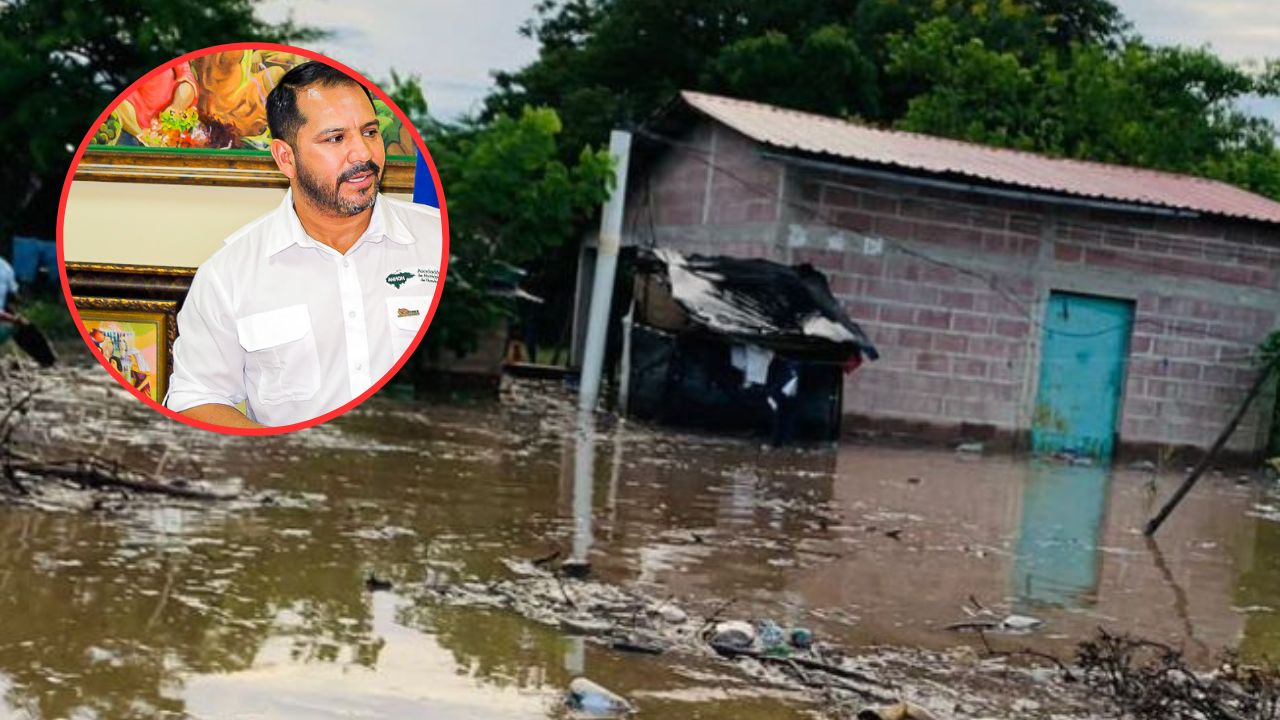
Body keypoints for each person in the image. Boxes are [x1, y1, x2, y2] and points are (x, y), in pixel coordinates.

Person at [166, 61, 443, 428]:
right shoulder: (228, 273)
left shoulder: (438, 241)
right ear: (286, 157)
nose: (363, 154)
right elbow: (195, 398)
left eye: (370, 132)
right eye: (336, 138)